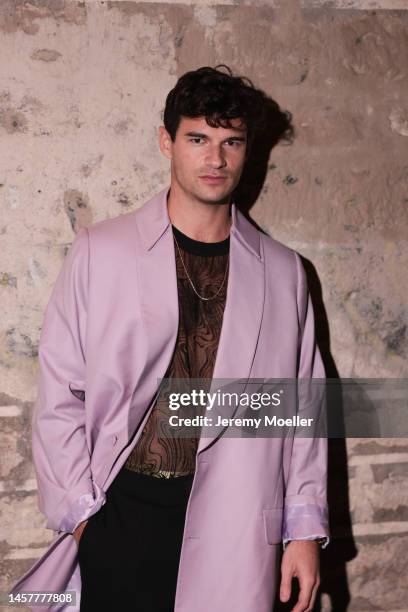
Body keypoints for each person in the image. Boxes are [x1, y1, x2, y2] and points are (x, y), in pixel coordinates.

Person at [10, 65, 329, 612]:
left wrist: (302, 529)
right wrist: (83, 517)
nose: (216, 159)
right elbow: (61, 393)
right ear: (167, 141)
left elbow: (300, 409)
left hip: (236, 524)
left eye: (232, 142)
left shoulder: (284, 273)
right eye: (198, 139)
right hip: (121, 510)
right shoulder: (101, 252)